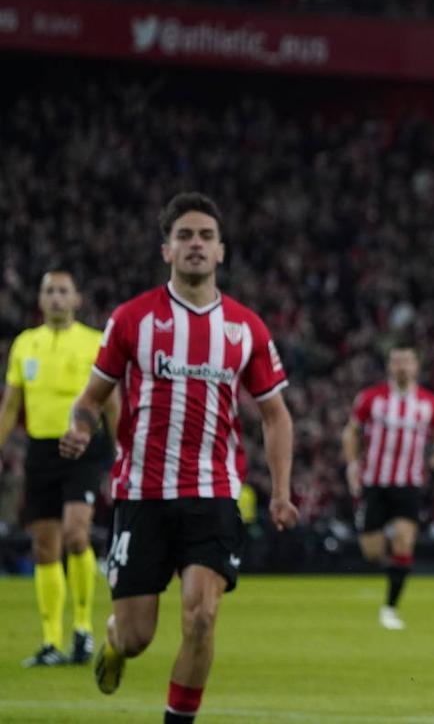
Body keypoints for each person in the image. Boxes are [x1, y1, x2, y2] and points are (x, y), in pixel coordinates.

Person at [60, 192, 299, 724]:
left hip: (212, 492)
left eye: (205, 237)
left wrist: (281, 491)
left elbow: (276, 415)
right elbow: (90, 400)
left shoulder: (245, 328)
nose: (195, 245)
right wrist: (79, 429)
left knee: (202, 615)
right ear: (166, 249)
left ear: (221, 252)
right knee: (138, 634)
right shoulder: (131, 319)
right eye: (185, 236)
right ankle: (115, 644)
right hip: (141, 493)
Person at [1, 271, 119, 666]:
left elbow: (111, 401)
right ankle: (52, 641)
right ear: (39, 298)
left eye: (63, 291)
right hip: (40, 451)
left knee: (75, 534)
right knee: (44, 547)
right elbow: (11, 407)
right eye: (49, 290)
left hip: (83, 446)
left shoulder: (92, 341)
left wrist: (121, 450)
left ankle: (83, 629)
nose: (55, 297)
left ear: (77, 299)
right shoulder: (25, 345)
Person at [342, 344, 434, 630]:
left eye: (407, 361)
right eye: (397, 361)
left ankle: (390, 608)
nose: (402, 366)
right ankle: (388, 534)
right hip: (374, 482)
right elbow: (351, 432)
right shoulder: (370, 398)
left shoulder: (430, 403)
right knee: (372, 552)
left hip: (408, 484)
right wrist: (352, 464)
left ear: (416, 366)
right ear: (390, 367)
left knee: (404, 540)